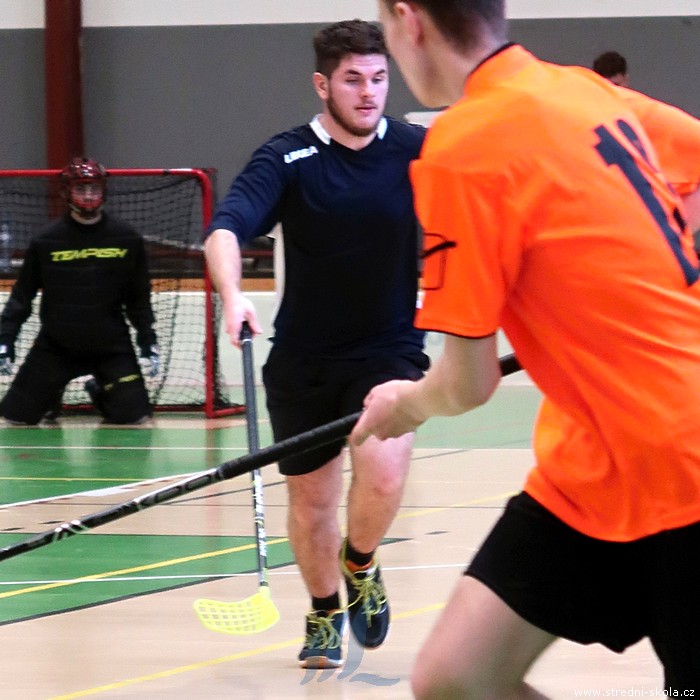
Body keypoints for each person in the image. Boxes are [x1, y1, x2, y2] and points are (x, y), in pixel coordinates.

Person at [352, 2, 700, 697]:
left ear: (408, 21)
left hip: (683, 461)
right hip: (592, 466)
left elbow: (467, 382)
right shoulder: (582, 89)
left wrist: (405, 404)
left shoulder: (462, 147)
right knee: (457, 677)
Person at [203, 19, 427, 669]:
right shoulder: (288, 157)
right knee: (312, 502)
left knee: (385, 468)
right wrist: (232, 294)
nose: (369, 92)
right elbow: (226, 229)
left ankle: (361, 563)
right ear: (322, 85)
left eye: (379, 78)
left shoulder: (416, 149)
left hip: (390, 348)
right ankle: (325, 611)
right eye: (353, 80)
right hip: (304, 358)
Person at [0, 157, 159, 426]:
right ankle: (51, 395)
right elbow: (22, 296)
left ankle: (99, 390)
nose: (88, 195)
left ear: (103, 191)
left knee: (134, 417)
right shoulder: (46, 240)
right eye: (81, 188)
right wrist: (6, 340)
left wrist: (147, 339)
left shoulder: (126, 238)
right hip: (55, 347)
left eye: (94, 188)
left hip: (111, 347)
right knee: (17, 418)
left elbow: (138, 298)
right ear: (67, 192)